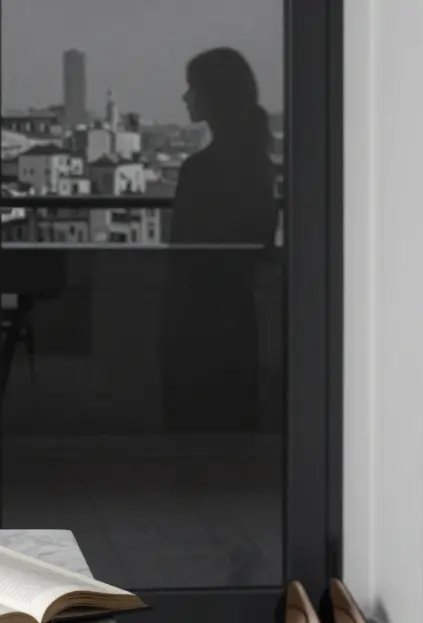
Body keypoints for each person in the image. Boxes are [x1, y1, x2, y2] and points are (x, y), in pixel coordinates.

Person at [160, 48, 279, 435]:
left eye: (192, 87)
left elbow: (182, 251)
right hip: (237, 311)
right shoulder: (258, 165)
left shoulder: (200, 169)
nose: (185, 97)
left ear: (213, 95)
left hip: (196, 315)